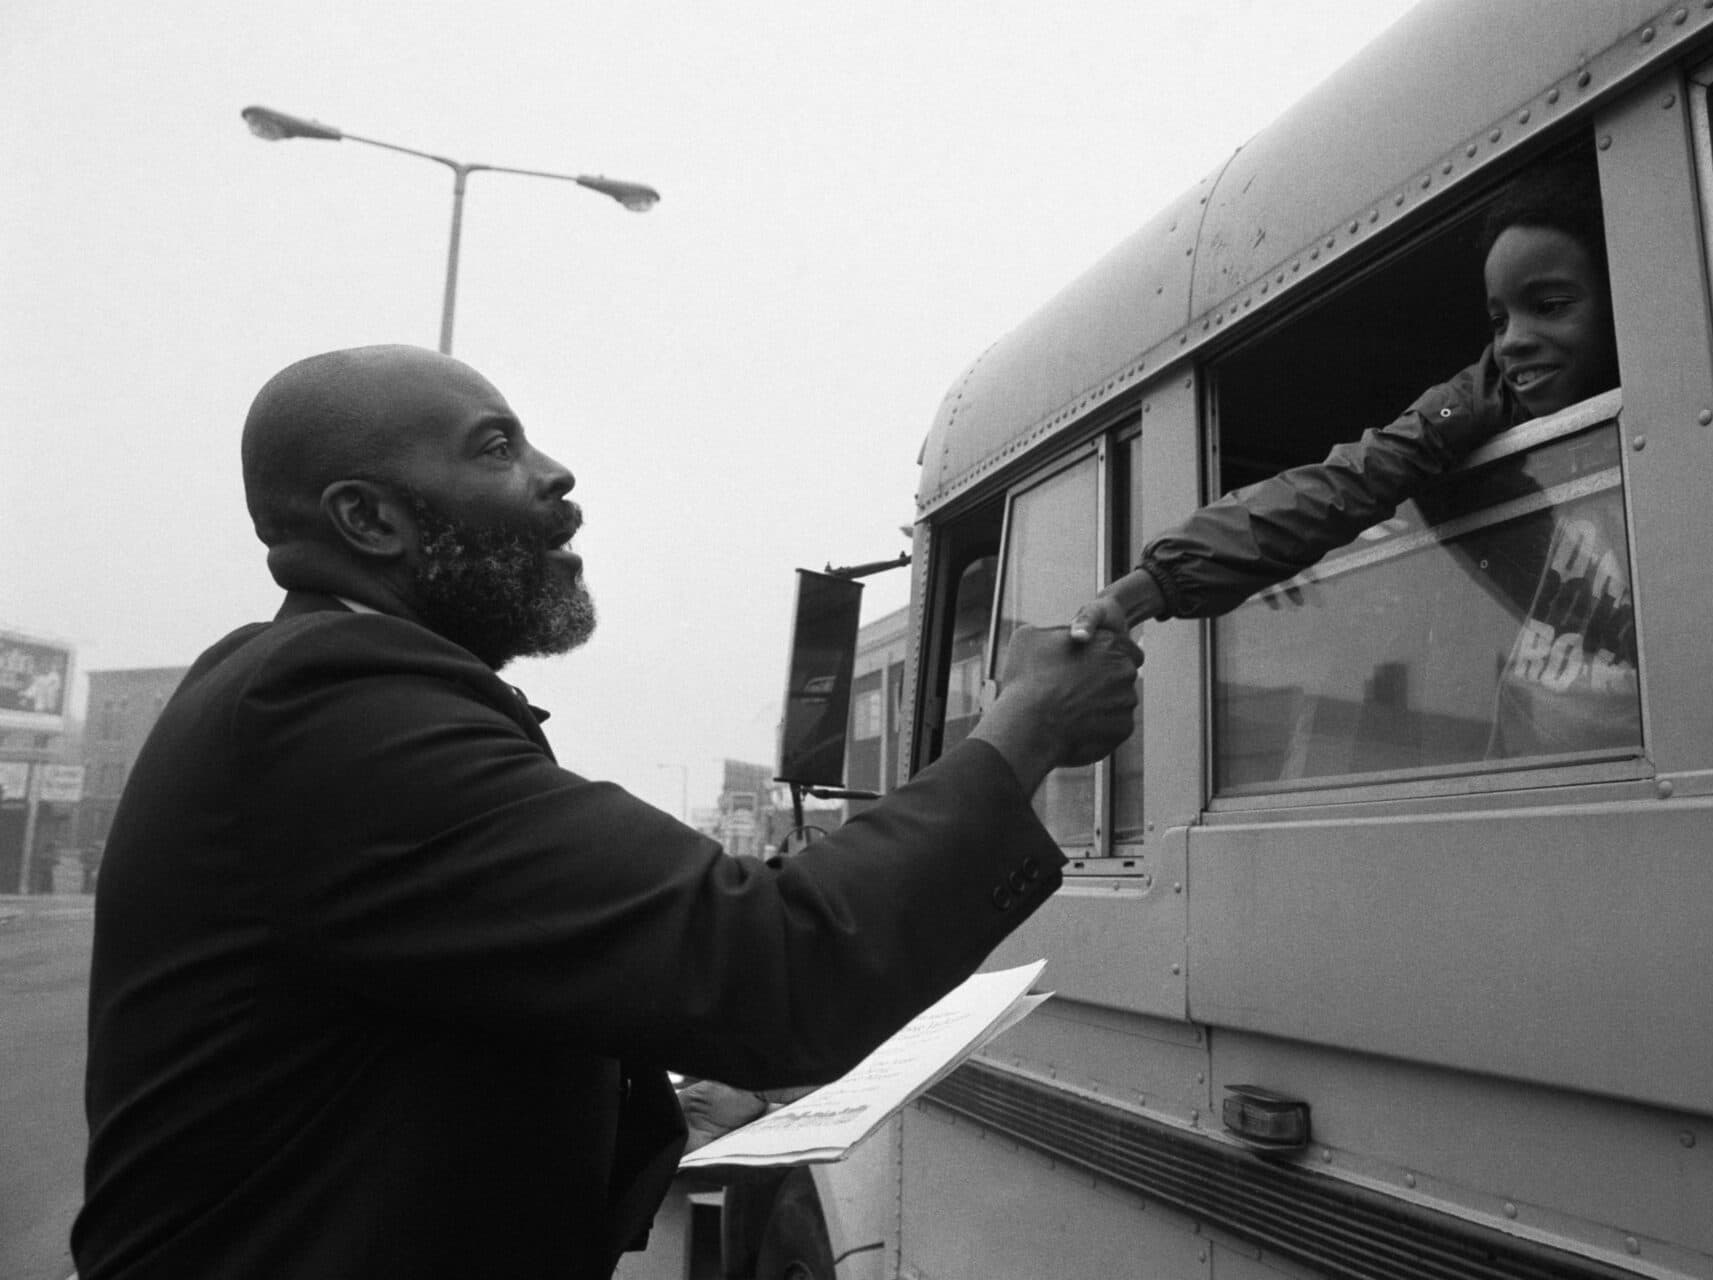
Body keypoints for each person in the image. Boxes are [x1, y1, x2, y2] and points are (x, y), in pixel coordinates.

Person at [74, 344, 1142, 1280]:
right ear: (370, 517)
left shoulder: (316, 692)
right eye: (494, 448)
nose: (556, 473)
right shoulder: (331, 711)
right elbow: (772, 959)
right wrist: (1026, 730)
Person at [1071, 158, 1632, 756]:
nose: (1513, 338)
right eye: (1498, 319)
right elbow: (1349, 480)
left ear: (1620, 293)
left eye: (1549, 305)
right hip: (1532, 764)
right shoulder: (1480, 399)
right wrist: (1144, 589)